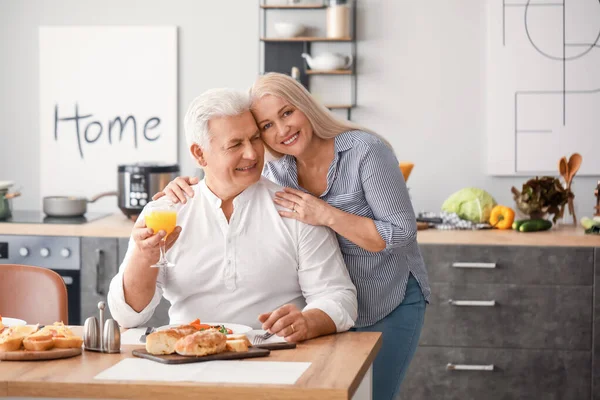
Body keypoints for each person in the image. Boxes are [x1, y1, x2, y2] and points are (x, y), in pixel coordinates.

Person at [157, 73, 431, 400]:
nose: (282, 129)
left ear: (305, 106)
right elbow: (226, 175)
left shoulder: (365, 152)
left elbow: (400, 233)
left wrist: (325, 214)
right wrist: (190, 183)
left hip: (387, 297)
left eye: (287, 113)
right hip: (332, 307)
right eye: (267, 126)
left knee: (376, 395)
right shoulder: (279, 170)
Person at [107, 88, 358, 344]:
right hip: (187, 358)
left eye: (255, 139)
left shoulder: (295, 208)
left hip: (274, 359)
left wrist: (308, 322)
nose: (252, 154)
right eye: (235, 144)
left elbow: (339, 296)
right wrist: (144, 256)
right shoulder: (166, 210)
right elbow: (127, 318)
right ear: (199, 154)